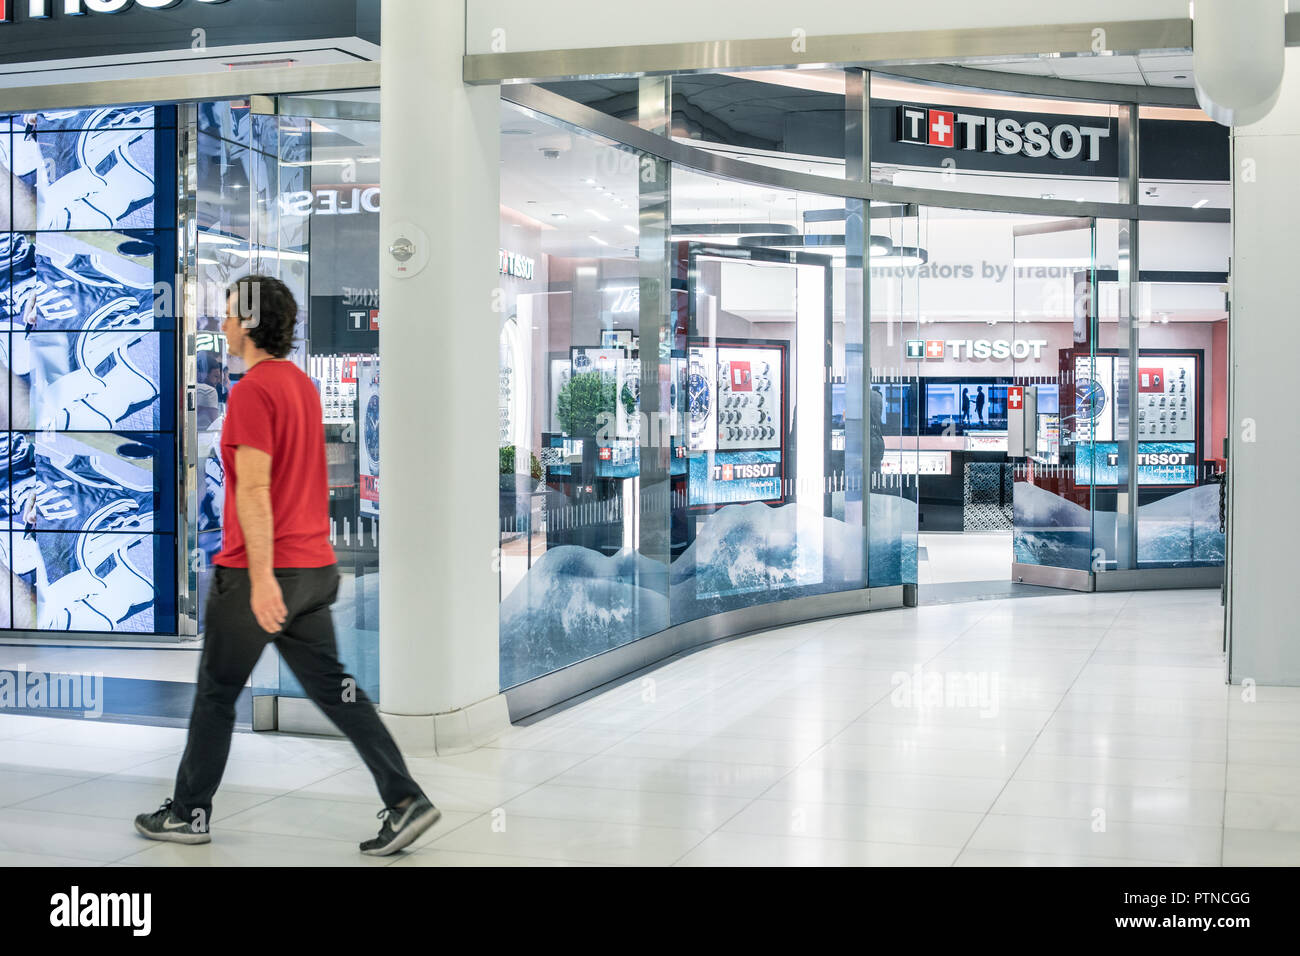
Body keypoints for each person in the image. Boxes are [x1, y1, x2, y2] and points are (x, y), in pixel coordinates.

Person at [135, 275, 440, 856]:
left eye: (227, 314)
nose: (220, 323)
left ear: (248, 323)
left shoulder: (251, 391)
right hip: (314, 568)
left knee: (217, 693)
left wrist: (261, 578)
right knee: (338, 691)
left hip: (260, 571)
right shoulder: (300, 385)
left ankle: (188, 813)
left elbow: (252, 489)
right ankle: (406, 801)